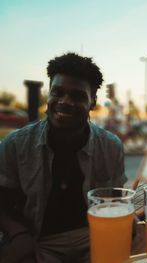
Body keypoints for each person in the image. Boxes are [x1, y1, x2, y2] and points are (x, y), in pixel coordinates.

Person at [0, 53, 127, 262]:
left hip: (93, 236)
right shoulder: (15, 144)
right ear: (48, 95)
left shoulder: (111, 147)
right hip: (38, 240)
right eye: (57, 92)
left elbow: (116, 203)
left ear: (93, 101)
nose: (64, 102)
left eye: (77, 96)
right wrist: (19, 235)